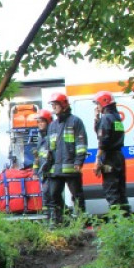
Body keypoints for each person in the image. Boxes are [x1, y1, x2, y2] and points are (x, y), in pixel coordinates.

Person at [43, 92, 88, 225]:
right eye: (52, 105)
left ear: (63, 105)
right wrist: (47, 165)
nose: (54, 107)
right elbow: (50, 148)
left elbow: (81, 143)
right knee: (54, 195)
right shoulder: (52, 125)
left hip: (71, 167)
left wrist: (79, 161)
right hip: (56, 168)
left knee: (77, 196)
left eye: (56, 104)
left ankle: (82, 222)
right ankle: (60, 222)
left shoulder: (75, 121)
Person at [93, 91, 130, 213]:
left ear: (104, 103)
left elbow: (103, 140)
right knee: (121, 190)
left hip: (109, 158)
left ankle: (116, 221)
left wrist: (97, 160)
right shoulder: (116, 118)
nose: (96, 107)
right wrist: (97, 118)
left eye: (97, 104)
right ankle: (126, 219)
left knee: (111, 190)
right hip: (119, 156)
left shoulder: (107, 118)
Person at [33, 109, 52, 209]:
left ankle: (52, 218)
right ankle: (49, 218)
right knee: (46, 196)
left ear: (48, 122)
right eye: (38, 122)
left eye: (42, 122)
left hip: (51, 172)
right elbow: (37, 157)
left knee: (50, 196)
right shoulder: (40, 137)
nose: (40, 124)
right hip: (43, 173)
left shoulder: (51, 137)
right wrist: (35, 172)